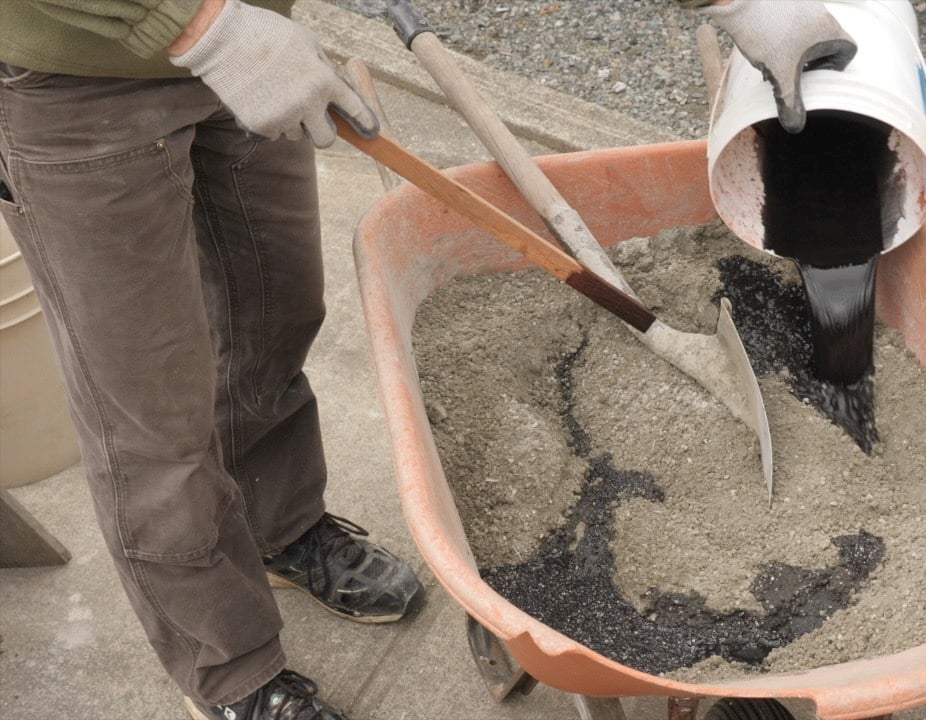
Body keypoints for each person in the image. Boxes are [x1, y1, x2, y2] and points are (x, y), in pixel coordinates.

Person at [0, 0, 853, 718]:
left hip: (264, 41)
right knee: (151, 412)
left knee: (274, 319)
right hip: (82, 83)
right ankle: (230, 671)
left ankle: (278, 528)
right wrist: (199, 24)